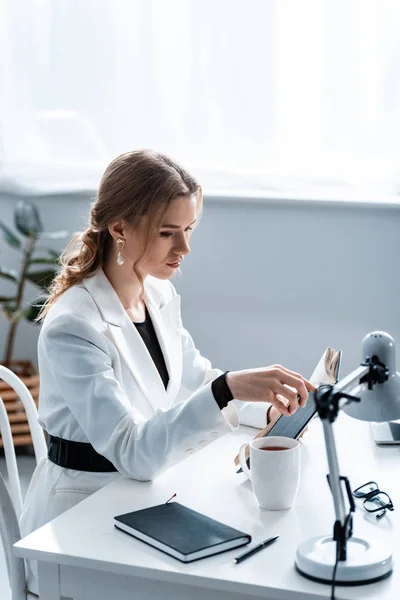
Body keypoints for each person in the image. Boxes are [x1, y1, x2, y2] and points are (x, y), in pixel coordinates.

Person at [20, 149, 314, 594]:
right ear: (119, 228)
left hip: (147, 497)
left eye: (190, 229)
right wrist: (227, 389)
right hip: (79, 518)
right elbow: (133, 451)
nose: (185, 248)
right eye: (167, 233)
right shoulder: (74, 327)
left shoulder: (155, 295)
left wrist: (270, 409)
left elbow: (195, 381)